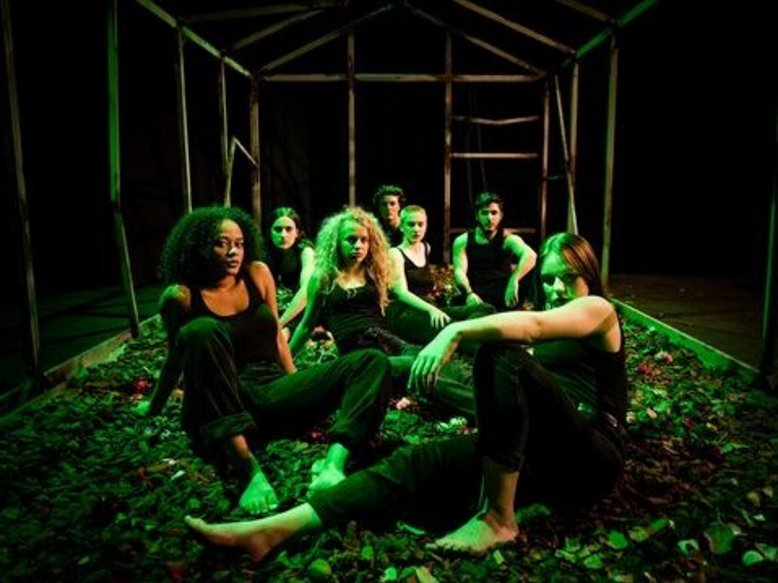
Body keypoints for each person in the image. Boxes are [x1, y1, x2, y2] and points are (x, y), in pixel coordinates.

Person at [184, 232, 627, 560]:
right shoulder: (555, 318)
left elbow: (530, 328)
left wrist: (455, 330)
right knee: (411, 462)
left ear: (588, 275)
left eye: (568, 277)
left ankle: (498, 518)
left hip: (590, 453)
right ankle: (275, 529)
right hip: (535, 452)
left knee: (501, 352)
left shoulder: (599, 311)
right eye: (548, 280)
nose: (556, 288)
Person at [139, 205, 393, 515]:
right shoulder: (181, 296)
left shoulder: (257, 275)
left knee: (371, 360)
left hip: (270, 392)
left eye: (239, 243)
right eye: (221, 243)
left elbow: (276, 337)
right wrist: (153, 406)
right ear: (198, 247)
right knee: (201, 330)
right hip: (222, 399)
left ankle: (332, 466)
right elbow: (175, 359)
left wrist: (299, 385)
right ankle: (249, 471)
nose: (233, 251)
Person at [288, 205, 475, 421]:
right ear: (336, 242)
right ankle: (484, 412)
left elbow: (394, 298)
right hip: (363, 356)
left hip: (388, 342)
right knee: (415, 368)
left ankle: (492, 397)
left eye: (364, 240)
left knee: (438, 361)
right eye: (351, 240)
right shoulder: (324, 278)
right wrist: (285, 360)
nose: (358, 245)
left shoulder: (373, 273)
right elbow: (306, 325)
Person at [386, 204, 495, 346]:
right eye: (411, 224)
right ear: (401, 227)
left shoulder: (426, 247)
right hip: (406, 312)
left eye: (420, 224)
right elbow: (400, 292)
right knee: (452, 329)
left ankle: (475, 336)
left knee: (485, 308)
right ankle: (480, 345)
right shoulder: (395, 253)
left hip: (430, 306)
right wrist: (431, 310)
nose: (416, 229)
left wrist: (436, 305)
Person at [452, 191, 537, 311]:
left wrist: (514, 280)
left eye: (494, 213)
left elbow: (531, 255)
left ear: (501, 215)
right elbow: (459, 272)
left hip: (502, 295)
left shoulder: (508, 239)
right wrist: (469, 293)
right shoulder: (462, 241)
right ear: (477, 216)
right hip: (475, 294)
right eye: (484, 213)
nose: (489, 218)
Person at [264, 207, 316, 335]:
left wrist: (280, 323)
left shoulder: (306, 252)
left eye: (288, 229)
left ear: (297, 232)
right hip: (274, 311)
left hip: (300, 311)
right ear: (269, 231)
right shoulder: (264, 253)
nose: (283, 235)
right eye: (278, 229)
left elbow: (306, 292)